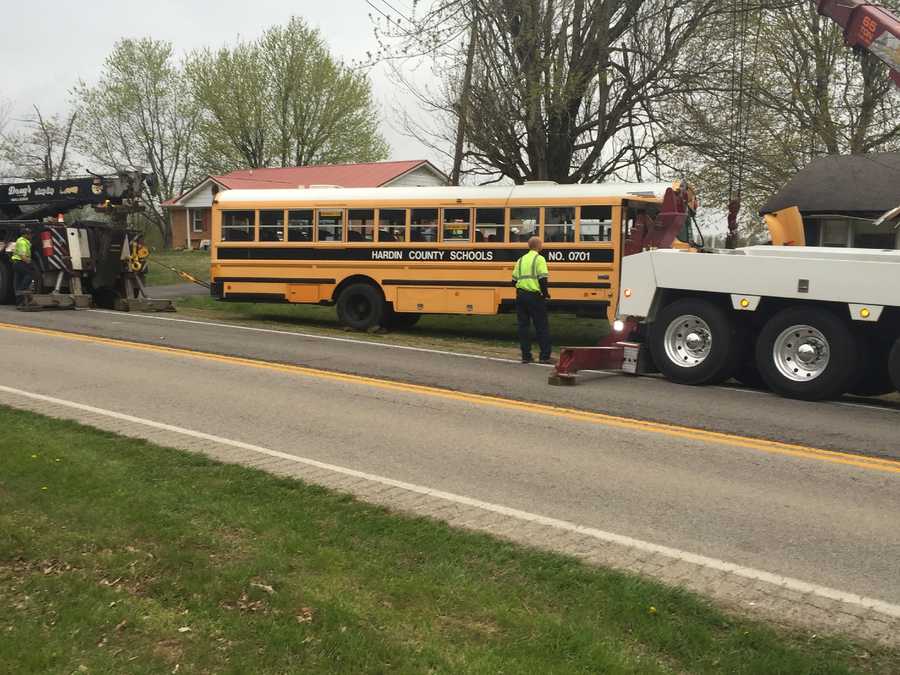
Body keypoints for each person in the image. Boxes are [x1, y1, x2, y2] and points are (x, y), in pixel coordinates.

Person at [512, 236, 552, 364]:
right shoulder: (539, 259)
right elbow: (542, 279)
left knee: (523, 326)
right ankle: (544, 356)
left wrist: (522, 288)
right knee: (541, 326)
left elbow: (513, 280)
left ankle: (526, 355)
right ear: (539, 246)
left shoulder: (521, 260)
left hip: (521, 296)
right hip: (534, 296)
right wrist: (545, 294)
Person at [11, 227, 34, 302]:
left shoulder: (23, 241)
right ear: (25, 235)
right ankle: (21, 291)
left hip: (17, 263)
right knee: (29, 275)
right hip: (19, 262)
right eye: (29, 234)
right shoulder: (22, 242)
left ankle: (19, 301)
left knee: (18, 280)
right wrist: (29, 262)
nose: (31, 235)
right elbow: (22, 255)